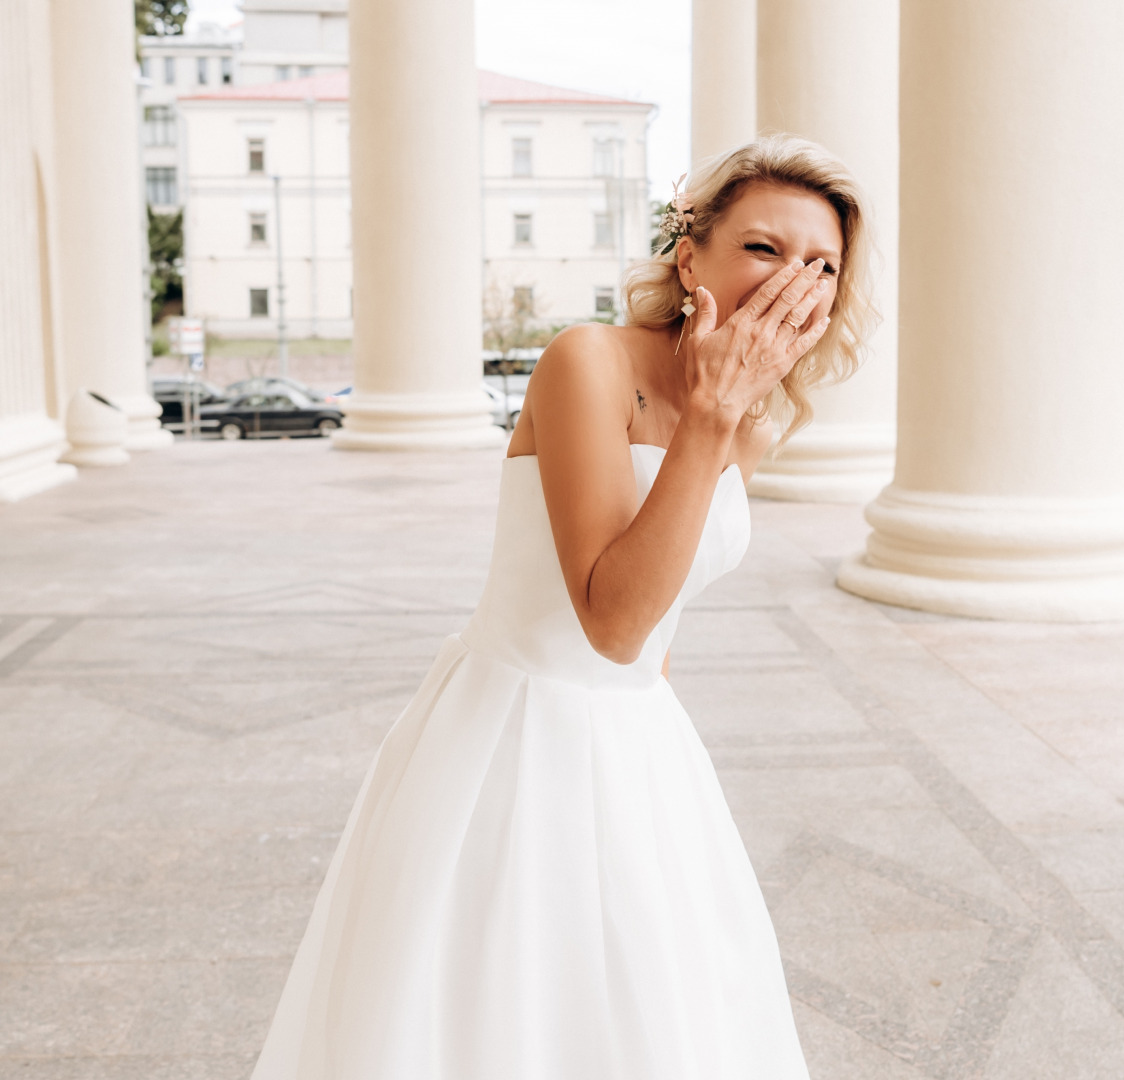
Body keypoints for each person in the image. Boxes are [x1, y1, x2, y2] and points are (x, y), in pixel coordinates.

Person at [251, 135, 877, 1079]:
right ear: (689, 254)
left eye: (823, 263)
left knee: (657, 1010)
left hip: (639, 742)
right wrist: (709, 419)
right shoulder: (587, 362)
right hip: (511, 736)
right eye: (765, 248)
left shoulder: (750, 416)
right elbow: (611, 619)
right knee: (498, 1015)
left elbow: (657, 631)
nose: (796, 280)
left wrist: (649, 760)